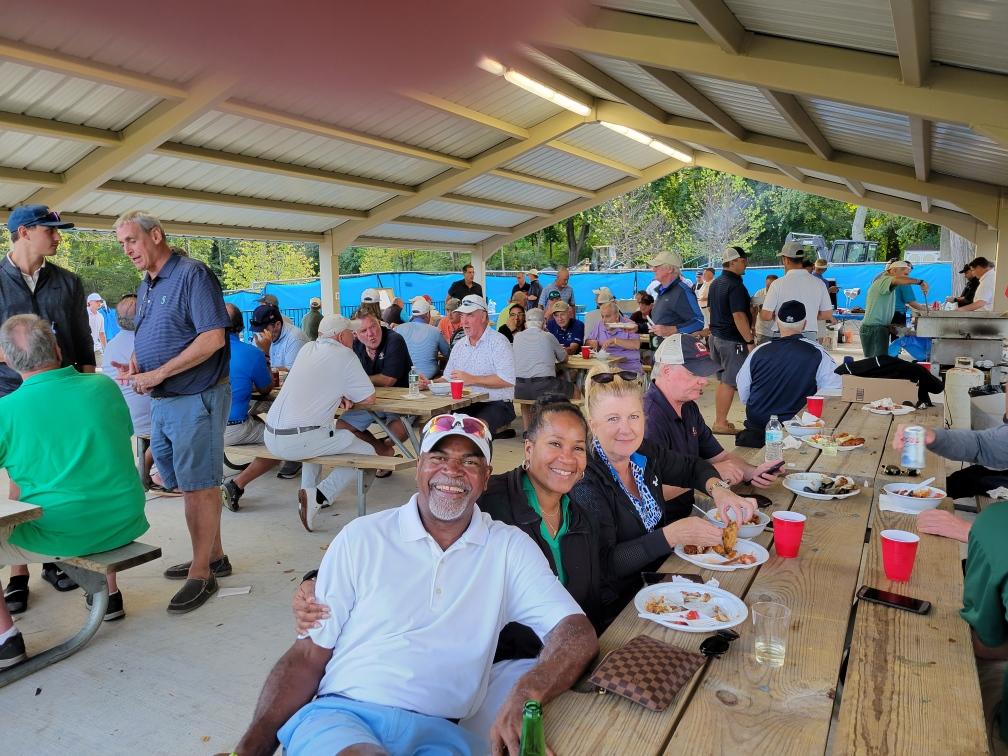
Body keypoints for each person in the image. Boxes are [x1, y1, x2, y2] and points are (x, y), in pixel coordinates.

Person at [229, 413, 598, 756]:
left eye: (469, 461)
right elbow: (308, 656)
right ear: (419, 467)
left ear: (486, 478)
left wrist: (527, 694)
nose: (452, 470)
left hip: (442, 733)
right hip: (344, 718)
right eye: (438, 457)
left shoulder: (508, 548)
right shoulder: (362, 537)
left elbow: (575, 632)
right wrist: (247, 751)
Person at [0, 315, 149, 665]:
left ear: (5, 358)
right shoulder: (102, 386)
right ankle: (110, 595)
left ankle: (6, 638)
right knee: (88, 475)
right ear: (56, 348)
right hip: (123, 519)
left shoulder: (6, 410)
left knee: (44, 500)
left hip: (64, 531)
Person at [112, 210, 231, 614]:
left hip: (193, 395)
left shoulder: (192, 275)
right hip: (164, 397)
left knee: (200, 486)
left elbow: (213, 337)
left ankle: (203, 573)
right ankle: (213, 555)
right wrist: (136, 364)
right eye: (122, 243)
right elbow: (150, 332)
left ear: (156, 235)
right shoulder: (147, 284)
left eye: (131, 240)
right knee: (184, 482)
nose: (127, 249)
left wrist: (159, 371)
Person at [568, 366, 757, 618]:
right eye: (613, 419)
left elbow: (691, 466)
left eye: (634, 417)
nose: (626, 429)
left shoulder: (643, 452)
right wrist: (671, 535)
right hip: (616, 607)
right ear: (593, 424)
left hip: (660, 581)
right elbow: (605, 565)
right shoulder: (585, 481)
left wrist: (719, 490)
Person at [264, 314, 378, 531]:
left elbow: (321, 381)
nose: (353, 337)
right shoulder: (345, 355)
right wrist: (347, 393)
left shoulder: (306, 349)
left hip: (271, 436)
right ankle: (319, 495)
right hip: (298, 439)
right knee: (368, 453)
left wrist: (340, 391)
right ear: (340, 336)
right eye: (350, 333)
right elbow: (369, 398)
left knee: (318, 434)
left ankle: (307, 495)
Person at [644, 334, 782, 510]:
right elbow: (651, 491)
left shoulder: (688, 407)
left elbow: (721, 456)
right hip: (662, 523)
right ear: (666, 371)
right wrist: (710, 475)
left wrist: (752, 472)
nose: (703, 380)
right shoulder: (648, 419)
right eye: (694, 373)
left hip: (688, 506)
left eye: (704, 372)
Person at [736, 300, 842, 445]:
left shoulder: (759, 351)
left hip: (758, 424)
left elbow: (743, 391)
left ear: (777, 323)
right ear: (804, 324)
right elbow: (834, 389)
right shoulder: (818, 353)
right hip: (795, 427)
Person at [220, 304, 279, 513]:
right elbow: (265, 388)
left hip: (202, 425)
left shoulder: (200, 352)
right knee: (284, 440)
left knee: (260, 418)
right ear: (240, 327)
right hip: (233, 428)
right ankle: (237, 484)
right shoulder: (250, 353)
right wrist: (265, 353)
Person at [440, 295, 517, 438]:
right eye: (462, 316)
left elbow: (507, 380)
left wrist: (473, 379)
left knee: (471, 433)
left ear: (483, 317)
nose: (464, 321)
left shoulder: (499, 342)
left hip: (497, 403)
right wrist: (428, 383)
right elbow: (447, 378)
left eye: (470, 315)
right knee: (434, 430)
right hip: (463, 404)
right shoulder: (459, 345)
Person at [341, 313, 414, 463]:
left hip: (401, 401)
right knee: (342, 427)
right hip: (370, 400)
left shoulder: (394, 340)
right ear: (355, 334)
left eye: (373, 326)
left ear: (379, 324)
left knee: (399, 431)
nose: (370, 334)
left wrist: (358, 381)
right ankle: (382, 451)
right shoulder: (356, 345)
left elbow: (388, 380)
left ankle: (382, 448)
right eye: (363, 331)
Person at [104, 295, 154, 486]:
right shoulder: (147, 342)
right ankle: (153, 472)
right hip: (147, 418)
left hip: (123, 417)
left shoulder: (111, 346)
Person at [706, 246, 754, 435]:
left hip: (716, 337)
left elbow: (711, 310)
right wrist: (749, 341)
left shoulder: (716, 283)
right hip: (731, 341)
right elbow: (739, 316)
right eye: (743, 261)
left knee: (724, 381)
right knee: (729, 382)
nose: (746, 264)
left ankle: (721, 420)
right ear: (732, 262)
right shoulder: (735, 286)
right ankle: (719, 422)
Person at [761, 242, 833, 342]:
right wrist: (807, 315)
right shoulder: (819, 283)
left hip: (782, 334)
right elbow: (827, 314)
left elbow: (765, 315)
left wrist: (781, 316)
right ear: (802, 259)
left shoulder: (777, 284)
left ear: (785, 259)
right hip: (809, 335)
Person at [860, 259, 930, 358]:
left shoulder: (883, 280)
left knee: (880, 359)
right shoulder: (886, 280)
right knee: (877, 362)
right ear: (893, 271)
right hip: (876, 327)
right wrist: (920, 282)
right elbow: (911, 302)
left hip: (886, 323)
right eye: (905, 274)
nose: (906, 278)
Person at [513, 309, 570, 424]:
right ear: (544, 323)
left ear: (526, 324)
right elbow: (564, 358)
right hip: (543, 387)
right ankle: (564, 426)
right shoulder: (548, 336)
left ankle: (527, 432)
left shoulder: (517, 337)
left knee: (526, 396)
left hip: (519, 388)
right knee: (576, 390)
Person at [649, 251, 704, 339]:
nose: (653, 269)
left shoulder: (682, 291)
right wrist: (638, 327)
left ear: (670, 269)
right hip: (662, 348)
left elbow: (698, 321)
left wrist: (672, 330)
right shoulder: (663, 290)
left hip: (675, 349)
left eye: (657, 266)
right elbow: (663, 321)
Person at [394, 296, 449, 379]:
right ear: (428, 314)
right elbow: (448, 353)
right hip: (428, 379)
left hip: (402, 378)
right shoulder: (435, 331)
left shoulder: (398, 329)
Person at [586, 300, 642, 374]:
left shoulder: (628, 324)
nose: (604, 320)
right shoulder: (600, 324)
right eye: (602, 316)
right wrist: (591, 342)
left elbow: (636, 345)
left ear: (616, 316)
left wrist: (615, 340)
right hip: (606, 367)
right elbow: (588, 341)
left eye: (607, 316)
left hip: (628, 368)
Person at [249, 303, 308, 370]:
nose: (260, 334)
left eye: (264, 329)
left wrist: (266, 352)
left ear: (278, 325)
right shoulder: (259, 335)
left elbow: (291, 373)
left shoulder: (295, 339)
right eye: (257, 330)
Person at [750, 274, 778, 345]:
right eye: (768, 286)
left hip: (779, 332)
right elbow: (753, 311)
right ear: (765, 284)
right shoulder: (759, 294)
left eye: (772, 287)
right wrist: (752, 326)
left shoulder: (781, 293)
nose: (770, 289)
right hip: (763, 332)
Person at [86, 292, 106, 367]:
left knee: (104, 367)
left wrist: (106, 350)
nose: (99, 303)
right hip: (84, 349)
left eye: (100, 301)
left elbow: (102, 334)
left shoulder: (100, 316)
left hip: (96, 348)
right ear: (90, 302)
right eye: (96, 301)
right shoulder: (83, 314)